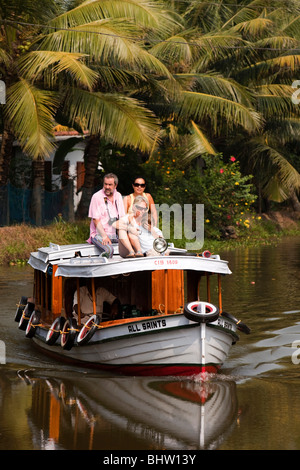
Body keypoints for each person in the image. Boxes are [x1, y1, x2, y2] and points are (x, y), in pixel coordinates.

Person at [87, 173, 125, 257]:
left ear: (115, 185)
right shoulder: (96, 197)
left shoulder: (118, 196)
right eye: (105, 184)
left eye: (110, 185)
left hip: (114, 235)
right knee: (109, 250)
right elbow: (95, 220)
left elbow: (122, 218)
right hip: (99, 234)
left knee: (133, 243)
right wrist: (104, 236)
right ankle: (101, 268)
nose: (107, 187)